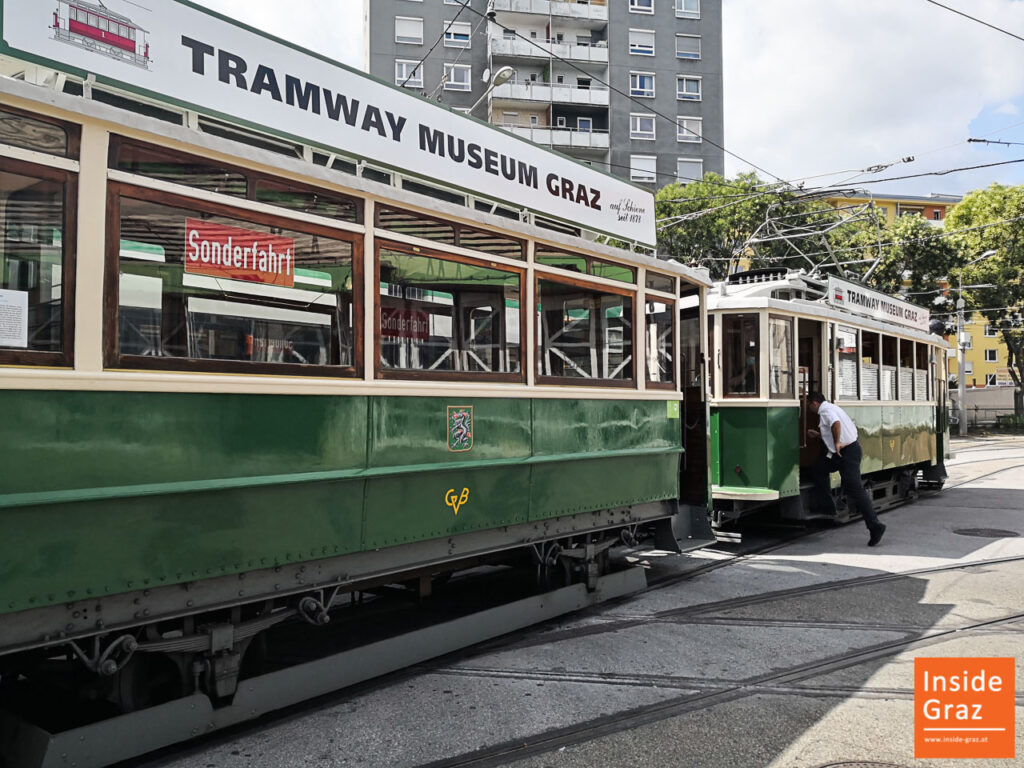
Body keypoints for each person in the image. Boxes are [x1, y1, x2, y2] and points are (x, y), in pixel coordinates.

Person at [806, 392, 886, 547]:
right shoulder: (831, 407)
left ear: (814, 403)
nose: (809, 408)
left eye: (808, 405)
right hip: (841, 453)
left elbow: (836, 424)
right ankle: (828, 507)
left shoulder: (826, 411)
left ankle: (875, 526)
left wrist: (836, 442)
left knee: (855, 488)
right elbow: (833, 429)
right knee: (818, 469)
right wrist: (819, 436)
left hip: (847, 453)